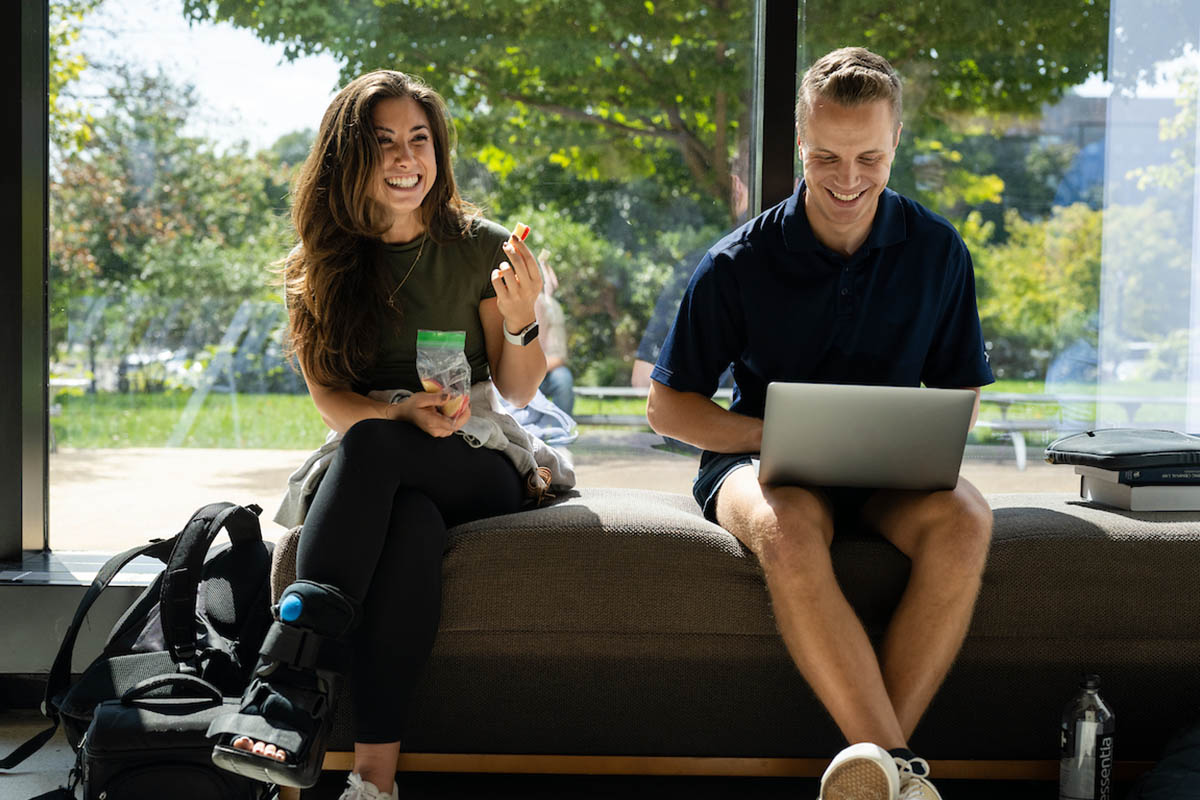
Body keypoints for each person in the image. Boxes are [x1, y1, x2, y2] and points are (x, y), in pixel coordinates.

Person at [645, 47, 995, 800]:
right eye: (825, 157)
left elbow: (962, 384)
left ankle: (877, 779)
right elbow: (668, 406)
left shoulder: (938, 251)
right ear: (801, 144)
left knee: (967, 519)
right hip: (763, 469)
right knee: (789, 525)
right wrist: (770, 437)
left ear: (896, 143)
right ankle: (903, 775)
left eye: (869, 156)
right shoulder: (738, 261)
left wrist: (911, 437)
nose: (846, 179)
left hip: (886, 474)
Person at [207, 70, 548, 800]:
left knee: (375, 454)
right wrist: (396, 415)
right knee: (409, 526)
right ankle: (372, 784)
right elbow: (330, 398)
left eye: (419, 140)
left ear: (439, 151)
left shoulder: (479, 247)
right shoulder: (319, 263)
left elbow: (519, 390)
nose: (405, 157)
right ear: (347, 156)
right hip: (383, 452)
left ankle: (285, 682)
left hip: (477, 454)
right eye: (384, 140)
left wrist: (522, 320)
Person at [535, 258, 575, 414]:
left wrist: (533, 371)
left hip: (547, 370)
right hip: (521, 372)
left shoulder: (552, 309)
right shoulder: (513, 305)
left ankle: (562, 431)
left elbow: (558, 357)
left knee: (563, 380)